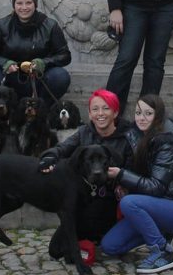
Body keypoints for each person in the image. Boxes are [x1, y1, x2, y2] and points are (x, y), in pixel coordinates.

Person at [102, 94, 173, 274]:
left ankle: (162, 251)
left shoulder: (168, 143)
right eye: (138, 112)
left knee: (129, 203)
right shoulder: (138, 136)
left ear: (158, 116)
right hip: (154, 205)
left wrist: (122, 175)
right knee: (110, 246)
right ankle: (162, 233)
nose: (142, 118)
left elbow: (156, 186)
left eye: (148, 113)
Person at [38, 89, 133, 258]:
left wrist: (119, 176)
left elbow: (136, 172)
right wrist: (51, 155)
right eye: (95, 109)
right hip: (86, 201)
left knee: (105, 245)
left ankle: (103, 236)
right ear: (89, 114)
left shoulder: (128, 137)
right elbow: (63, 148)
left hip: (113, 201)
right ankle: (89, 239)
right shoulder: (84, 132)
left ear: (116, 112)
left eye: (106, 108)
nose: (100, 114)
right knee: (56, 250)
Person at [0, 0, 71, 106]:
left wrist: (44, 63)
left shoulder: (50, 25)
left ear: (35, 4)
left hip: (39, 78)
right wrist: (5, 63)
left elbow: (65, 55)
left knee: (61, 76)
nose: (24, 7)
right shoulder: (2, 25)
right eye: (19, 3)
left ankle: (42, 108)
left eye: (28, 3)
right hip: (10, 79)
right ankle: (5, 108)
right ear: (14, 5)